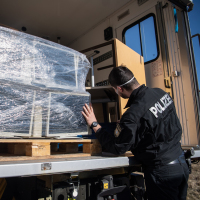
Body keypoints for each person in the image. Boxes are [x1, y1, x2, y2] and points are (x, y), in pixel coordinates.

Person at [82, 66, 189, 200]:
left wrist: (94, 124)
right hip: (181, 165)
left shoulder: (133, 115)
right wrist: (128, 128)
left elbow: (117, 148)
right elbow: (156, 129)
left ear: (119, 88)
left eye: (115, 89)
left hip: (163, 173)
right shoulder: (160, 93)